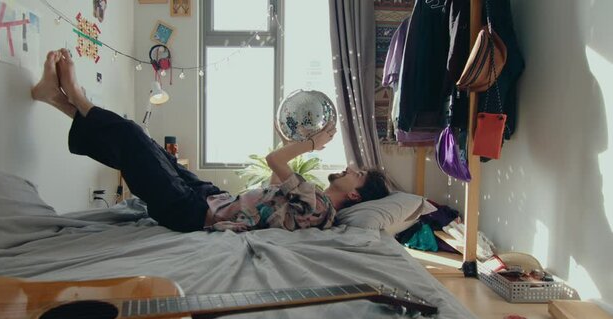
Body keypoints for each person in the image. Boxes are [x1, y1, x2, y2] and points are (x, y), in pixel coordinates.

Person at [31, 49, 390, 233]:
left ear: (356, 194)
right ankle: (57, 99)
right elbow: (271, 190)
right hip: (210, 196)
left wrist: (311, 145)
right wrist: (294, 144)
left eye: (355, 173)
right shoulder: (312, 205)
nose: (348, 168)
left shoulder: (322, 209)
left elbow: (274, 161)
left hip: (191, 211)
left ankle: (76, 97)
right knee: (148, 149)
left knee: (132, 137)